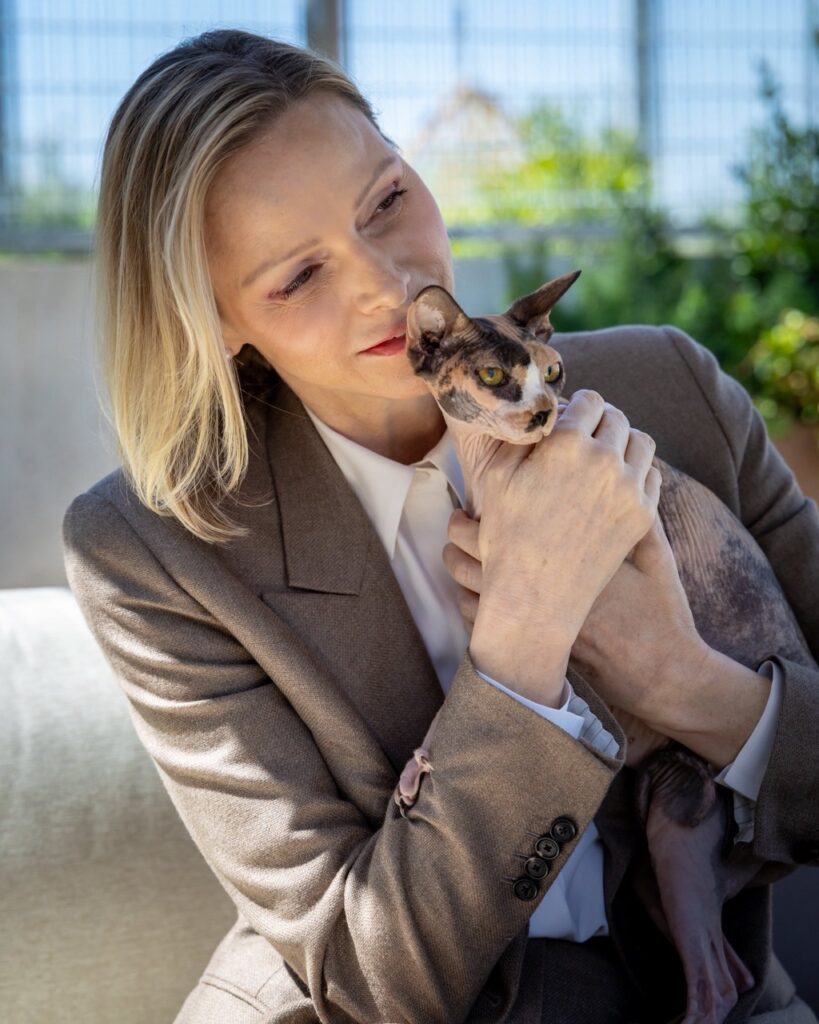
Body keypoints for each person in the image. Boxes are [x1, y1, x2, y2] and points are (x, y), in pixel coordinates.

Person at [61, 28, 819, 1024]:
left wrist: (682, 679)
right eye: (298, 275)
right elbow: (371, 976)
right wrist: (525, 634)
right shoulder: (152, 551)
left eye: (386, 200)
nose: (386, 282)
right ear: (212, 320)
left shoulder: (674, 389)